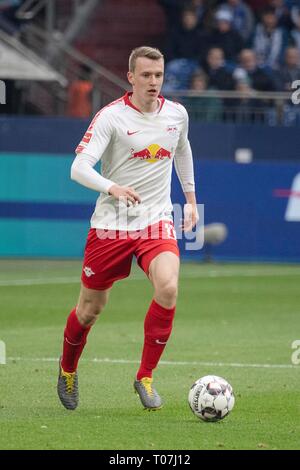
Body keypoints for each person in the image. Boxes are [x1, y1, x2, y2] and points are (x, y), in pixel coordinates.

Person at [57, 46, 198, 411]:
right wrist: (111, 187)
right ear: (131, 77)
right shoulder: (111, 117)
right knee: (90, 308)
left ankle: (145, 377)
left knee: (168, 286)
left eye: (159, 75)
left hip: (156, 220)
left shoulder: (177, 114)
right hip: (111, 225)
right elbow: (78, 168)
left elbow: (182, 151)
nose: (154, 82)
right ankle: (68, 368)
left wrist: (191, 199)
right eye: (147, 75)